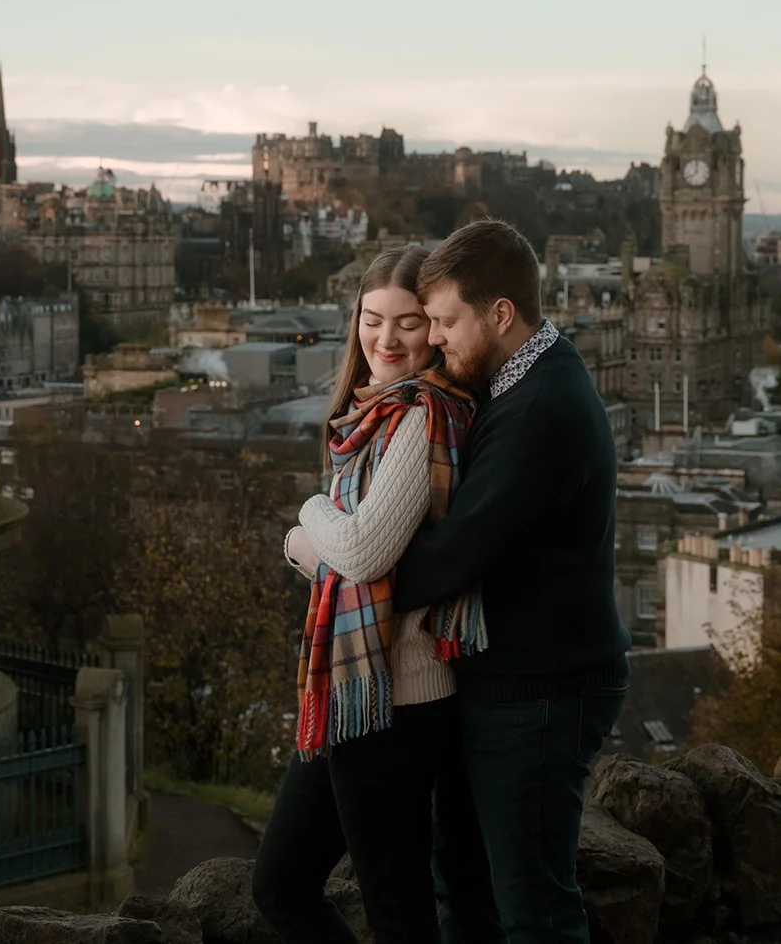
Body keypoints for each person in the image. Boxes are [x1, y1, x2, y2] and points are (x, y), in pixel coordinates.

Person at [389, 218, 630, 944]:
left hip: (542, 690)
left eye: (445, 320)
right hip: (513, 681)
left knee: (533, 910)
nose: (432, 340)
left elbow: (451, 556)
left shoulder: (536, 412)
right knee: (465, 884)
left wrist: (336, 567)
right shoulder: (526, 377)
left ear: (500, 314)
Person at [252, 246, 496, 944]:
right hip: (353, 692)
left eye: (409, 323)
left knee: (398, 912)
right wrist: (328, 546)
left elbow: (361, 552)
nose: (386, 340)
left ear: (436, 331)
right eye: (372, 318)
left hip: (400, 698)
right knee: (280, 884)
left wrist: (305, 521)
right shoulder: (368, 421)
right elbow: (359, 555)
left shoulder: (423, 417)